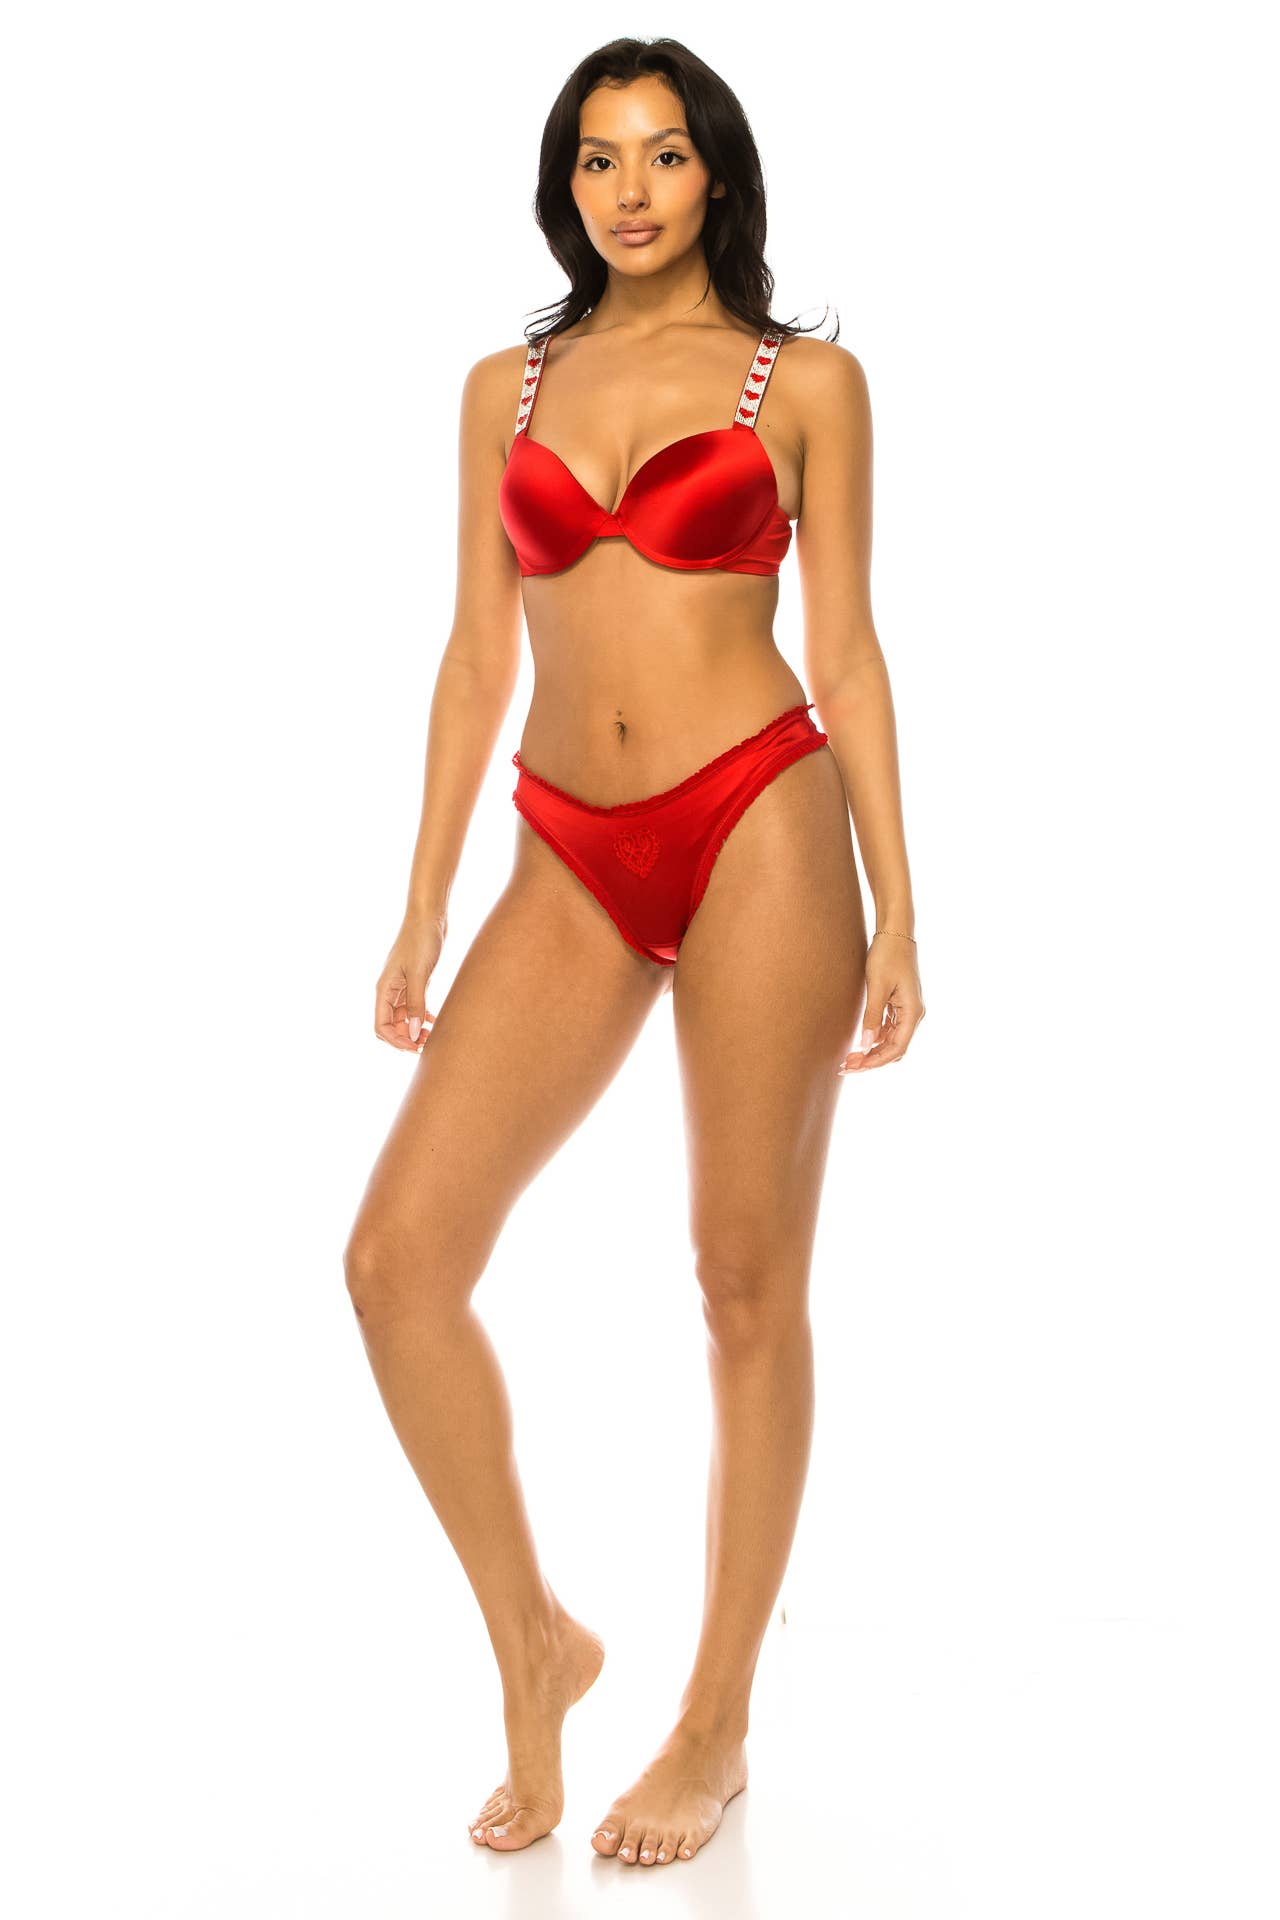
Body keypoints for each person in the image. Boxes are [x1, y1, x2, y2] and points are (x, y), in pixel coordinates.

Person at [342, 34, 925, 1870]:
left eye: (665, 154)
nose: (632, 190)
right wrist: (425, 898)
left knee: (743, 1279)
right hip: (566, 847)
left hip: (761, 819)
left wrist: (903, 900)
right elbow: (473, 657)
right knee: (396, 1263)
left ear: (716, 174)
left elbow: (848, 653)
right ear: (566, 185)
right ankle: (538, 1638)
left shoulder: (802, 381)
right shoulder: (503, 387)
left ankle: (715, 1720)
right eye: (598, 159)